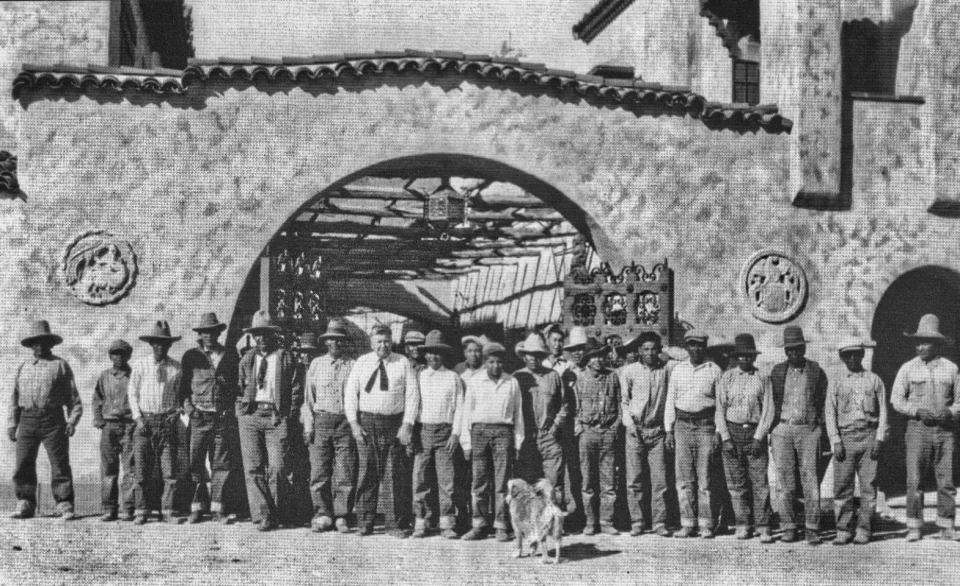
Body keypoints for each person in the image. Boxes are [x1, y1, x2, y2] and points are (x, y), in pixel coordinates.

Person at [344, 324, 419, 538]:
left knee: (394, 474)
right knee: (368, 472)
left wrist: (407, 425)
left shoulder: (402, 362)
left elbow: (412, 395)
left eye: (386, 341)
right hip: (367, 423)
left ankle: (394, 524)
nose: (383, 345)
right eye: (378, 341)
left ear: (392, 341)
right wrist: (354, 424)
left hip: (394, 424)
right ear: (371, 342)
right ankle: (365, 522)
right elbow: (351, 394)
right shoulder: (362, 362)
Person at [891, 314, 960, 542]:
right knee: (914, 479)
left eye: (925, 342)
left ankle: (946, 524)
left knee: (946, 480)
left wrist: (950, 412)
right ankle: (914, 525)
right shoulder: (907, 369)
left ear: (936, 344)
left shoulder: (951, 369)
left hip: (945, 431)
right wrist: (916, 411)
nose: (920, 346)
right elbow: (896, 400)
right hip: (917, 429)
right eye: (917, 342)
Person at [8, 320, 83, 520]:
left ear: (50, 343)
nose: (39, 346)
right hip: (27, 419)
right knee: (23, 463)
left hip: (53, 420)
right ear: (31, 345)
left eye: (43, 342)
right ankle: (25, 502)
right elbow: (14, 398)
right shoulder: (23, 367)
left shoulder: (60, 365)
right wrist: (12, 424)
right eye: (35, 342)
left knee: (59, 463)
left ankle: (64, 503)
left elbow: (74, 399)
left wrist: (72, 421)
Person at [237, 310, 302, 531]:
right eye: (257, 334)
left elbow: (295, 388)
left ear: (273, 335)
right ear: (253, 336)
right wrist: (242, 411)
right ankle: (262, 515)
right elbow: (240, 387)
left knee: (278, 466)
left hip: (276, 416)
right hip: (251, 415)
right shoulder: (247, 358)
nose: (261, 339)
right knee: (253, 467)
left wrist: (288, 415)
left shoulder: (284, 357)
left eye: (265, 334)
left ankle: (277, 511)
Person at [178, 312, 241, 524]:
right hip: (199, 417)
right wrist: (190, 410)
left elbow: (236, 386)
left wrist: (230, 410)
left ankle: (218, 508)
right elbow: (182, 388)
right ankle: (196, 507)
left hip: (221, 417)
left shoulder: (230, 355)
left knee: (221, 463)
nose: (209, 336)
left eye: (212, 332)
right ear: (200, 334)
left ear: (218, 333)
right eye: (205, 332)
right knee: (195, 462)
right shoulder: (191, 357)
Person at [769, 325, 829, 545]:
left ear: (803, 348)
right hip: (782, 428)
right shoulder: (777, 371)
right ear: (785, 352)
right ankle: (789, 526)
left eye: (797, 348)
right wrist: (772, 428)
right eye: (790, 350)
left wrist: (820, 428)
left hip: (808, 429)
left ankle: (812, 527)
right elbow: (770, 401)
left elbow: (823, 401)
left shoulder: (815, 370)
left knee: (810, 479)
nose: (794, 353)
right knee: (784, 481)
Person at [826, 338, 887, 545]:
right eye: (847, 355)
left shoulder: (874, 380)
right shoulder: (836, 381)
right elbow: (830, 413)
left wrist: (879, 438)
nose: (852, 358)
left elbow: (884, 411)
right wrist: (835, 440)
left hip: (869, 435)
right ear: (842, 358)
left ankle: (864, 530)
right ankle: (843, 530)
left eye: (856, 354)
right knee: (842, 488)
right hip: (845, 437)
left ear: (862, 356)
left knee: (868, 487)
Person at [460, 342, 524, 541]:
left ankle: (501, 525)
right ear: (485, 362)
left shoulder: (511, 382)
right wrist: (466, 443)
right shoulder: (475, 381)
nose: (496, 366)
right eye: (491, 362)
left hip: (503, 433)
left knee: (502, 482)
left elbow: (518, 414)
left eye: (499, 362)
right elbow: (466, 413)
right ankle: (479, 525)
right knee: (479, 481)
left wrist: (517, 442)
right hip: (479, 433)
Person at [715, 334, 775, 542]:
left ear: (754, 357)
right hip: (732, 433)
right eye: (741, 356)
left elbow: (768, 410)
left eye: (749, 356)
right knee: (737, 484)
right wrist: (725, 438)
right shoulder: (727, 377)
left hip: (754, 433)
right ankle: (743, 524)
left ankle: (764, 526)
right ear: (736, 357)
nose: (745, 360)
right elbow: (719, 410)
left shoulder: (763, 378)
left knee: (759, 483)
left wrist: (759, 437)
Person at [665, 330, 722, 538]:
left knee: (705, 478)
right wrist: (668, 430)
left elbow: (721, 405)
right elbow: (670, 401)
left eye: (699, 345)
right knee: (683, 478)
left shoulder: (714, 370)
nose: (696, 349)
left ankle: (706, 524)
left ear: (704, 347)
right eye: (692, 345)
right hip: (682, 426)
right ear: (687, 347)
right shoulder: (678, 370)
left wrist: (718, 431)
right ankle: (687, 523)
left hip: (705, 426)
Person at [302, 320, 356, 534]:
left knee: (344, 470)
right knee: (319, 470)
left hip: (344, 421)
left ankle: (341, 515)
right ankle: (323, 514)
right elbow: (308, 399)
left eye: (340, 339)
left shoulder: (353, 365)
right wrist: (309, 427)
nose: (336, 343)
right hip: (321, 420)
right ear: (326, 342)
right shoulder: (316, 364)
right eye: (332, 339)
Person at [412, 330, 465, 539]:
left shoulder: (452, 377)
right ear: (425, 355)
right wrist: (414, 431)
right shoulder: (419, 376)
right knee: (421, 478)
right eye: (430, 353)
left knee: (446, 479)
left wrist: (455, 434)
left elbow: (460, 406)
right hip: (424, 430)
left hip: (445, 432)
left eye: (437, 353)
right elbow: (413, 405)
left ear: (443, 355)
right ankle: (422, 521)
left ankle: (447, 523)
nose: (433, 357)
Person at [620, 331, 673, 538]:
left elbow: (684, 357)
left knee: (659, 480)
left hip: (657, 430)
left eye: (654, 349)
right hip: (635, 429)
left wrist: (667, 352)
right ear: (639, 351)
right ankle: (638, 521)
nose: (650, 353)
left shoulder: (666, 370)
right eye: (646, 349)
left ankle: (659, 522)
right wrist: (629, 425)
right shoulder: (629, 371)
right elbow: (624, 401)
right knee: (634, 479)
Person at [129, 321, 183, 525]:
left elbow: (180, 396)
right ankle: (141, 510)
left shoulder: (176, 368)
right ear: (151, 344)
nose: (160, 347)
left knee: (169, 470)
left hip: (165, 422)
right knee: (142, 469)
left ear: (169, 345)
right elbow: (132, 393)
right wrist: (138, 418)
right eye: (157, 343)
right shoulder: (140, 365)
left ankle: (168, 510)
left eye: (164, 344)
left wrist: (176, 413)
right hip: (145, 422)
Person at [513, 332, 567, 508]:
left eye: (537, 355)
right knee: (528, 483)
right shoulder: (517, 378)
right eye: (529, 354)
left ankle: (554, 521)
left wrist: (556, 426)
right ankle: (531, 522)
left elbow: (564, 406)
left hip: (549, 436)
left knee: (553, 481)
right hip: (526, 437)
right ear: (524, 356)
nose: (532, 358)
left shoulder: (553, 376)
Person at [574, 338, 621, 536]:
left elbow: (620, 405)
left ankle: (606, 521)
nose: (599, 360)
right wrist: (581, 429)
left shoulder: (612, 377)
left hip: (607, 432)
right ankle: (590, 522)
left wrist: (614, 428)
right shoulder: (581, 379)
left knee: (608, 480)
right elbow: (575, 408)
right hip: (588, 433)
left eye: (602, 355)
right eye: (594, 356)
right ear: (588, 360)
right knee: (587, 480)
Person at [92, 339, 136, 522]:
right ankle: (109, 508)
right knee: (109, 470)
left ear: (128, 356)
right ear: (110, 356)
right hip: (109, 427)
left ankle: (129, 508)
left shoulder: (134, 374)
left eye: (122, 354)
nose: (119, 357)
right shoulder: (104, 376)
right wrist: (99, 420)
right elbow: (97, 399)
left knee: (130, 469)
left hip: (129, 426)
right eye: (115, 354)